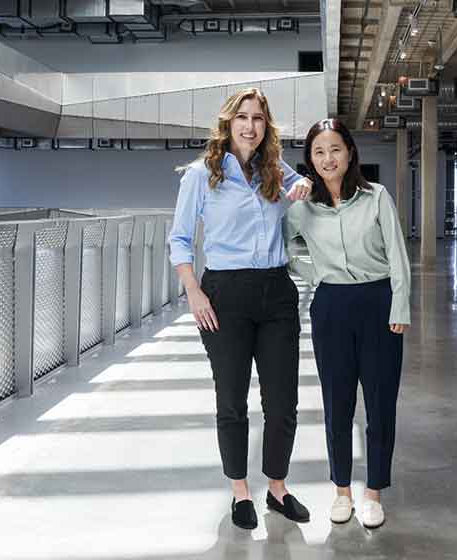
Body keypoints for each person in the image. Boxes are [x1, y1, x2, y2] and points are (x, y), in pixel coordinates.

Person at [168, 87, 314, 530]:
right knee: (231, 400)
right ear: (228, 123)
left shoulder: (274, 169)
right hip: (224, 295)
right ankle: (239, 492)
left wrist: (302, 185)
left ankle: (277, 488)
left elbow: (300, 188)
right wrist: (193, 292)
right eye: (242, 117)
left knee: (283, 401)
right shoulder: (202, 174)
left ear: (266, 126)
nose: (250, 126)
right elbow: (179, 239)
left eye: (258, 118)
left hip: (276, 291)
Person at [283, 119, 411, 529]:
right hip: (331, 305)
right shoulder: (303, 208)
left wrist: (400, 308)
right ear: (310, 161)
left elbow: (397, 254)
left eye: (335, 149)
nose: (327, 158)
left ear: (350, 152)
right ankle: (341, 491)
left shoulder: (376, 197)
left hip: (378, 302)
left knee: (379, 403)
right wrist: (314, 272)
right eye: (318, 152)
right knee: (337, 403)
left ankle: (372, 492)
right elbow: (284, 246)